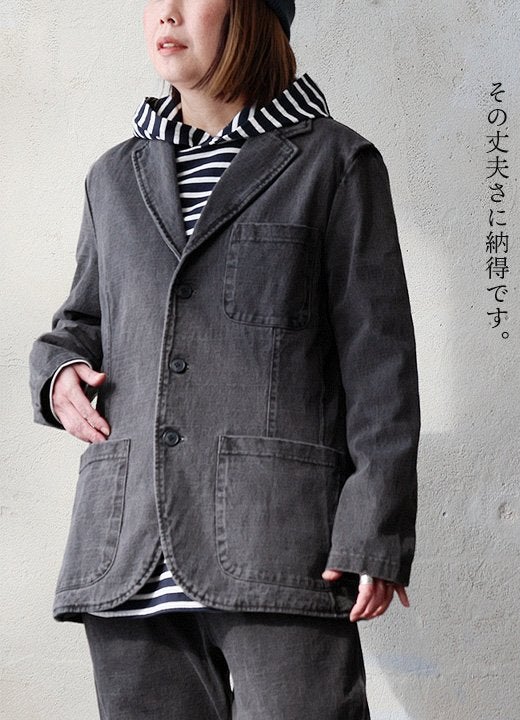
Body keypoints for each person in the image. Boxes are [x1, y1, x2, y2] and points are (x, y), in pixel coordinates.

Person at [28, 0, 420, 717]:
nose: (166, 13)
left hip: (280, 545)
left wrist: (376, 526)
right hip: (126, 551)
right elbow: (81, 323)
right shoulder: (113, 177)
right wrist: (58, 376)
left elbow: (379, 362)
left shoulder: (334, 164)